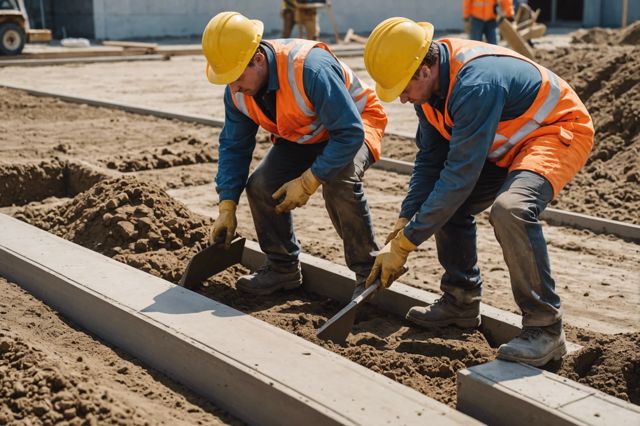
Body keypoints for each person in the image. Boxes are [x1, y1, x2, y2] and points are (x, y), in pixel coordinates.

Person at [363, 17, 593, 367]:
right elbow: (430, 161)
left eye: (403, 88)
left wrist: (407, 243)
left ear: (423, 71)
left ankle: (545, 329)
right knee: (444, 206)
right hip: (505, 140)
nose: (403, 99)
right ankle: (461, 301)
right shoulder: (431, 87)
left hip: (555, 132)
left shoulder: (475, 84)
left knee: (510, 209)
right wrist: (405, 219)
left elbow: (459, 178)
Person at [202, 11, 387, 296]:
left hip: (356, 124)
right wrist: (227, 205)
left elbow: (349, 133)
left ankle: (368, 273)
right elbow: (234, 146)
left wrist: (308, 181)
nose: (234, 86)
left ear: (259, 59)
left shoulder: (310, 68)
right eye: (227, 79)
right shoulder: (238, 90)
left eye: (237, 76)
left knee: (339, 183)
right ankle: (282, 269)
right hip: (304, 132)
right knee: (261, 186)